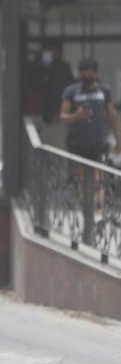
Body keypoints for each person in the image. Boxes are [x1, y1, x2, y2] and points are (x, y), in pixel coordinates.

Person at [60, 57, 121, 243]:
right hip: (78, 143)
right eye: (84, 71)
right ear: (80, 73)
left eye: (90, 71)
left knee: (98, 176)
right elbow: (63, 116)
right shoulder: (71, 91)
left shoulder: (104, 90)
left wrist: (118, 139)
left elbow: (111, 115)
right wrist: (77, 116)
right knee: (81, 180)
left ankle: (98, 213)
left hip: (98, 142)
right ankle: (86, 213)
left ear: (96, 72)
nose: (87, 74)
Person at [41, 39, 74, 149]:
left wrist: (57, 113)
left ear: (57, 51)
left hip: (57, 117)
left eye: (51, 51)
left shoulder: (62, 68)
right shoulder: (48, 68)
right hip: (50, 118)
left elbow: (63, 92)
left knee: (58, 150)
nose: (48, 54)